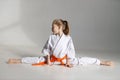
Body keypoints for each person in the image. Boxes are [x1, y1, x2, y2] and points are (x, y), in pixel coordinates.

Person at [8, 19, 113, 68]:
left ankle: (101, 62)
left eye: (53, 27)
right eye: (51, 27)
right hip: (53, 59)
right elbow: (47, 50)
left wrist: (67, 62)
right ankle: (18, 60)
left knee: (81, 61)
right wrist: (48, 60)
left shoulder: (67, 38)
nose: (51, 28)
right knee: (38, 59)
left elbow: (69, 52)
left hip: (64, 60)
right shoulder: (51, 37)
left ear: (59, 28)